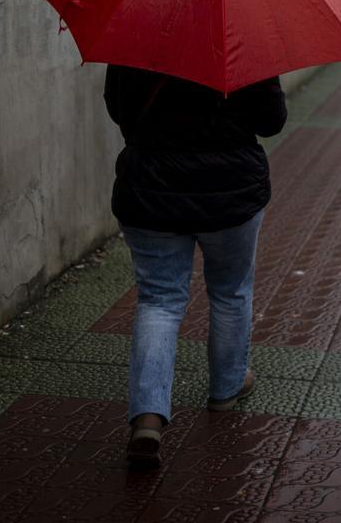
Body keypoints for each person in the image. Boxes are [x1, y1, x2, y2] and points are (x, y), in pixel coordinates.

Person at [103, 65, 287, 468]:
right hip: (231, 191)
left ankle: (148, 416)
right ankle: (227, 388)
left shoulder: (137, 30)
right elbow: (272, 122)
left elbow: (118, 109)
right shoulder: (244, 34)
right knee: (230, 291)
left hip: (150, 190)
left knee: (159, 300)